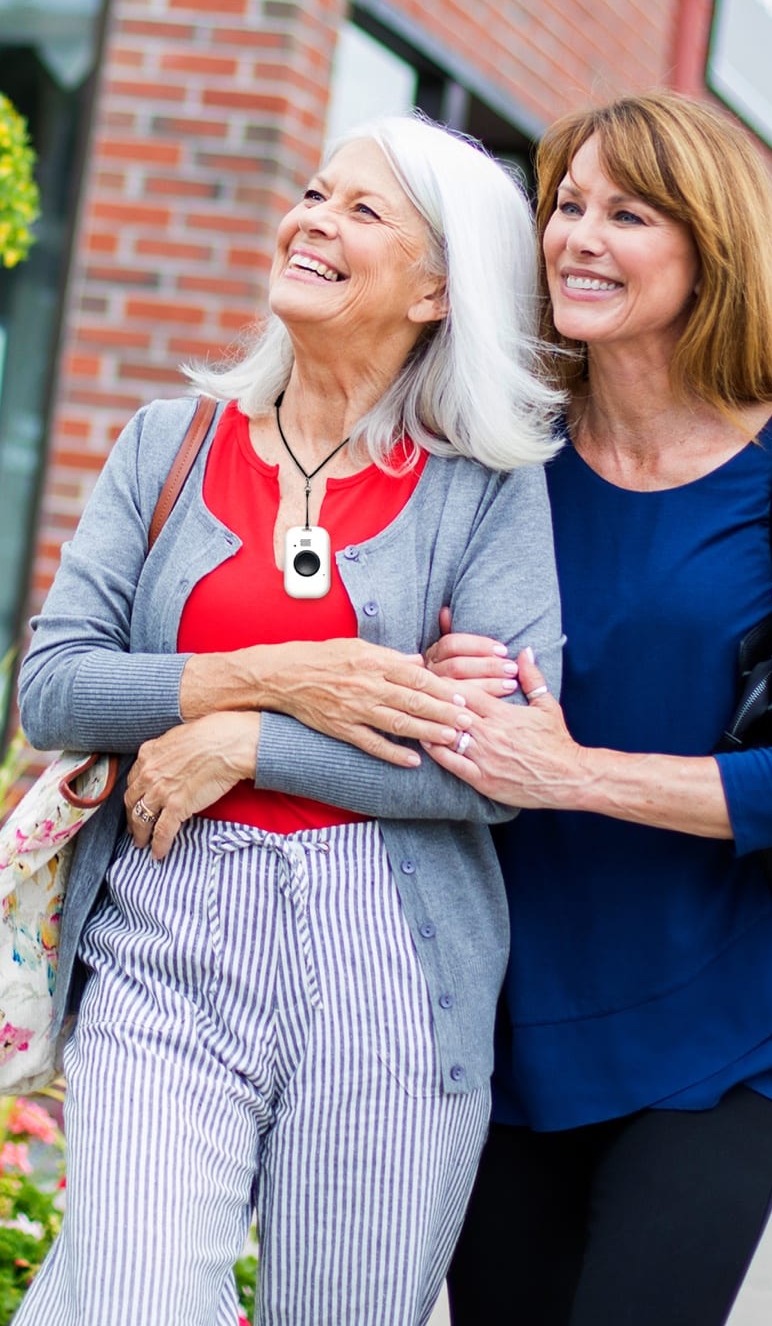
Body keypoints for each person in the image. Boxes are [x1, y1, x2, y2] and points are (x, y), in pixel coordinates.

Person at [14, 115, 563, 1326]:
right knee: (135, 1301)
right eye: (314, 193)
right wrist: (275, 674)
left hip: (392, 965)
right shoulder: (168, 443)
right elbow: (53, 685)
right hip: (167, 927)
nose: (312, 220)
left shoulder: (485, 490)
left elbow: (499, 761)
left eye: (362, 211)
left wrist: (251, 742)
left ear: (437, 289)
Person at [426, 94, 772, 1326]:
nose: (577, 237)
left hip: (722, 1008)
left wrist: (569, 771)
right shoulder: (499, 450)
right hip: (505, 1002)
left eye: (628, 214)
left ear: (712, 247)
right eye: (566, 205)